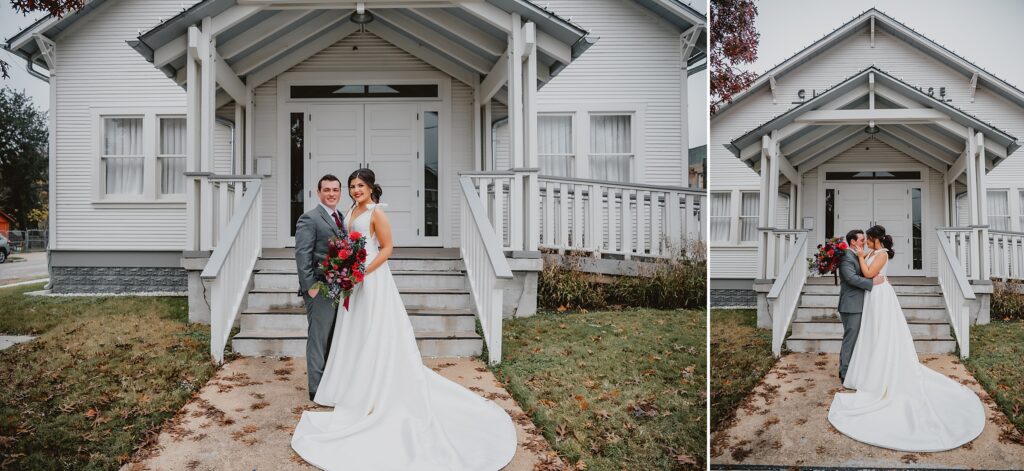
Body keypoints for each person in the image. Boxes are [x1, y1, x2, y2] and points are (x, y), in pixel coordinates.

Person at [291, 168, 517, 470]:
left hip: (371, 281)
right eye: (352, 186)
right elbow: (335, 248)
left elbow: (387, 248)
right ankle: (350, 385)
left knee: (374, 331)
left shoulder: (375, 212)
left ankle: (373, 387)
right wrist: (344, 272)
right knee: (352, 334)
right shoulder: (348, 210)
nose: (355, 190)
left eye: (360, 185)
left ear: (371, 188)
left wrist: (362, 271)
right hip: (351, 284)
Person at [828, 225, 985, 452]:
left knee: (882, 334)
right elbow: (865, 276)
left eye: (866, 240)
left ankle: (880, 371)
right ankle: (858, 370)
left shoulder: (879, 254)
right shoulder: (860, 254)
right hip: (870, 295)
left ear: (874, 240)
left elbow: (870, 273)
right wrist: (865, 261)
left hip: (879, 296)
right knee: (867, 335)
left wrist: (865, 263)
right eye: (861, 241)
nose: (864, 243)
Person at [294, 174, 348, 401]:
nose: (331, 194)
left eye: (335, 190)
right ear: (318, 193)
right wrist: (310, 287)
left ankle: (329, 382)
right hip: (320, 288)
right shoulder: (310, 218)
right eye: (326, 190)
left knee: (332, 337)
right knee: (318, 338)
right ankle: (316, 389)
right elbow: (302, 254)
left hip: (337, 288)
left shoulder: (339, 217)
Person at [836, 229, 873, 383]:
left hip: (858, 303)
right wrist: (871, 283)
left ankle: (851, 369)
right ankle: (844, 372)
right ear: (853, 241)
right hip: (850, 305)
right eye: (861, 240)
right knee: (850, 339)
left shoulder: (856, 255)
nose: (864, 242)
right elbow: (851, 278)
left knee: (856, 339)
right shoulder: (846, 257)